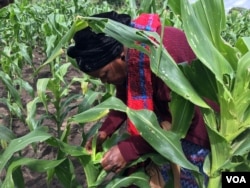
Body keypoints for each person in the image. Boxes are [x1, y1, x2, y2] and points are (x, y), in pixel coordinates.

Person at [67, 11, 217, 188]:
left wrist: (130, 149)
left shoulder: (161, 57)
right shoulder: (134, 49)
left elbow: (178, 123)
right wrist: (105, 131)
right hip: (171, 114)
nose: (104, 81)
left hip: (200, 127)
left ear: (120, 56)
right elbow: (123, 96)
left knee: (189, 180)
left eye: (104, 74)